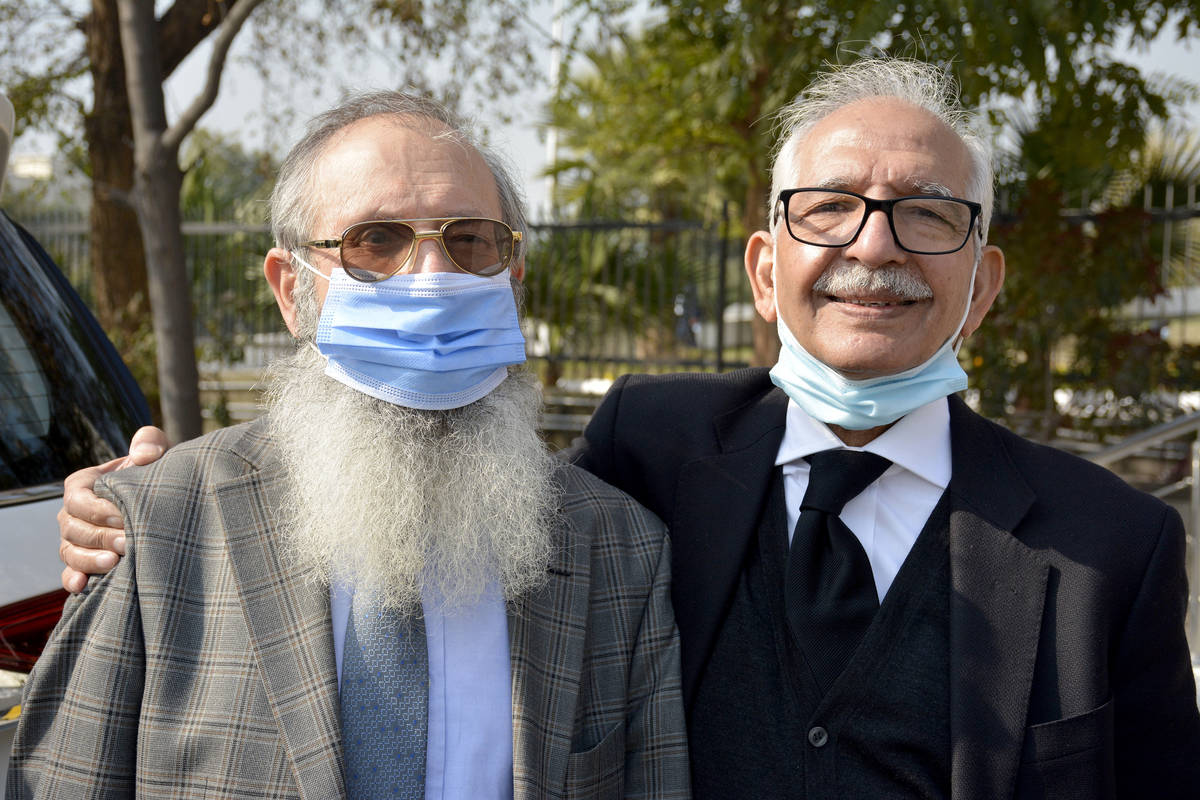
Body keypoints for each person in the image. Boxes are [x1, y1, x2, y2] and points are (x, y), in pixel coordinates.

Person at [55, 57, 1200, 798]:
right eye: (374, 241)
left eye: (927, 215)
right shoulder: (655, 449)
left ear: (983, 282)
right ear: (766, 270)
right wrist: (121, 512)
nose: (874, 246)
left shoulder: (1114, 544)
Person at [13, 91, 689, 800]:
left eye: (469, 241)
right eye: (376, 241)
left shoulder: (621, 550)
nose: (432, 277)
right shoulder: (158, 526)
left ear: (512, 278)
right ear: (290, 290)